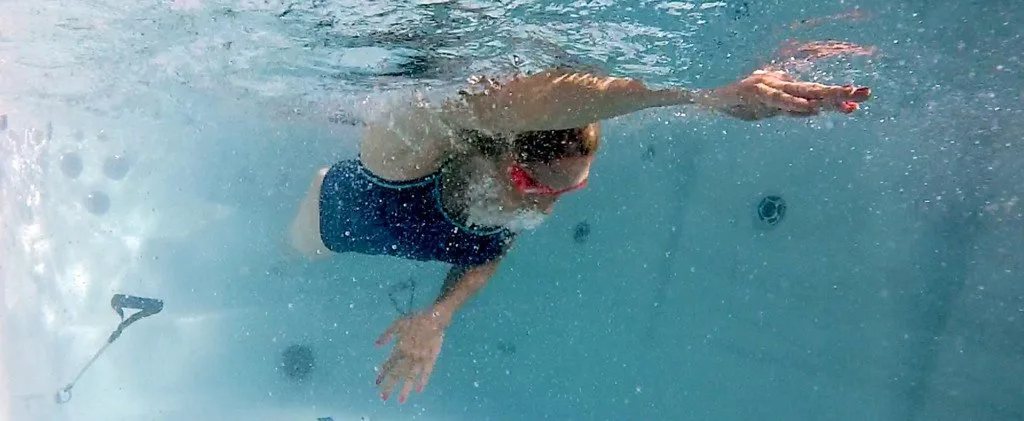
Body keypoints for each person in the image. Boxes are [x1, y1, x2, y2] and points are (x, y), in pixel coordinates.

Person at [287, 67, 872, 403]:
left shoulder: (518, 200)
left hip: (416, 225)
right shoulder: (407, 153)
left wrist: (440, 315)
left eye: (567, 191)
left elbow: (488, 248)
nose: (544, 203)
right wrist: (700, 96)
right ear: (505, 147)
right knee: (294, 256)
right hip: (327, 222)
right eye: (532, 183)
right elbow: (478, 106)